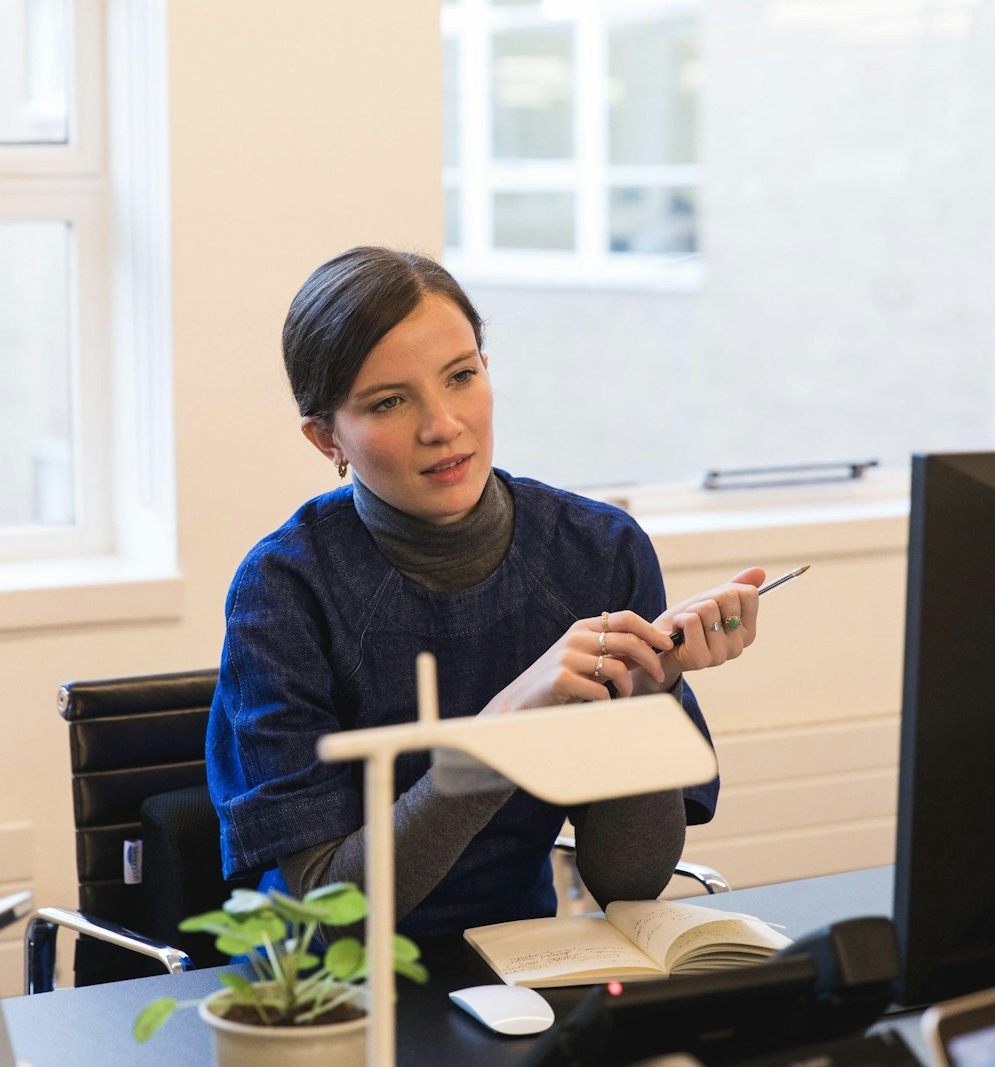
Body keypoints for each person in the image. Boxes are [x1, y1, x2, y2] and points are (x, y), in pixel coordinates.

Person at [206, 246, 765, 939]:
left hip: (518, 964)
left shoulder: (599, 552)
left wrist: (649, 694)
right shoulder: (283, 592)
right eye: (388, 401)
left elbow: (629, 882)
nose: (443, 425)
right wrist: (502, 731)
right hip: (333, 984)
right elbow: (332, 916)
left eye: (461, 376)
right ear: (327, 440)